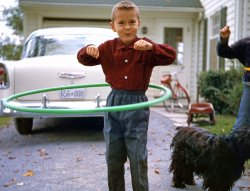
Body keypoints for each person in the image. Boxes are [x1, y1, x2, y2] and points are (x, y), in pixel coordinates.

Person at [77, 1, 176, 190]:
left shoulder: (146, 48)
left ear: (138, 22)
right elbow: (84, 59)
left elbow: (170, 55)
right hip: (114, 104)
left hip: (137, 104)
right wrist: (88, 48)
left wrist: (151, 47)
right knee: (113, 156)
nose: (127, 27)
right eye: (121, 23)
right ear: (112, 26)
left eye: (132, 22)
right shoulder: (106, 48)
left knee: (137, 156)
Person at [217, 26, 250, 131]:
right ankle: (234, 145)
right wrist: (224, 39)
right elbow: (224, 52)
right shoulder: (246, 43)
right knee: (241, 125)